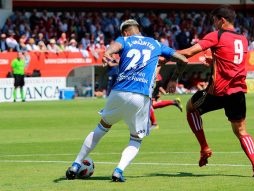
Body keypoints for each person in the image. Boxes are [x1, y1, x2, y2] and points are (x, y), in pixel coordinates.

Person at [65, 19, 188, 182]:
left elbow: (113, 48)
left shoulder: (124, 40)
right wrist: (174, 79)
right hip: (141, 96)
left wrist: (107, 53)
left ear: (124, 32)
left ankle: (75, 164)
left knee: (101, 128)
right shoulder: (156, 44)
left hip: (119, 92)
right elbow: (183, 59)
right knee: (136, 138)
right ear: (138, 29)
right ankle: (118, 170)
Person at [177, 5, 254, 178]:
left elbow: (189, 52)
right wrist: (214, 61)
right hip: (238, 91)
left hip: (217, 91)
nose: (214, 24)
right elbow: (231, 61)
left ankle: (204, 147)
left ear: (222, 20)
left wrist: (163, 56)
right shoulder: (243, 38)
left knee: (190, 108)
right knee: (241, 131)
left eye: (215, 20)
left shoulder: (217, 35)